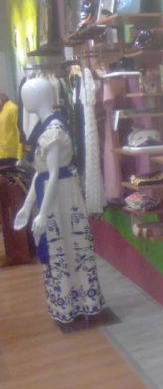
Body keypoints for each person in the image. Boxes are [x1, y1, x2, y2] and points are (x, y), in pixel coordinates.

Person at [13, 77, 105, 324]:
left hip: (61, 195)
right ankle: (67, 302)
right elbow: (41, 172)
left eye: (27, 95)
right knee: (60, 248)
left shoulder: (53, 130)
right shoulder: (44, 127)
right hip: (52, 193)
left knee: (68, 247)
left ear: (38, 97)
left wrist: (42, 213)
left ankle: (81, 302)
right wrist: (27, 206)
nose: (24, 100)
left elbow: (53, 173)